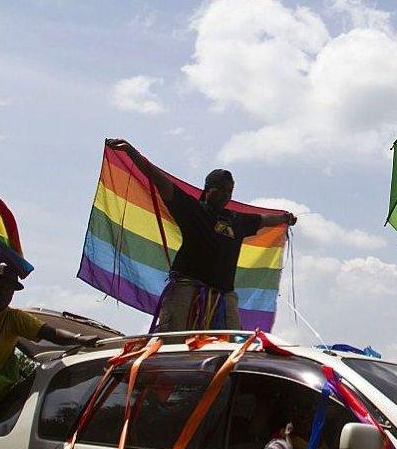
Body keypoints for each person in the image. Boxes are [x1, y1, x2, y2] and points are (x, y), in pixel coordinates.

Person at [106, 139, 297, 332]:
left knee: (227, 346)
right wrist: (131, 152)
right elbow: (159, 180)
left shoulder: (237, 220)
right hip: (185, 291)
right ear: (207, 189)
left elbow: (264, 220)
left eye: (229, 191)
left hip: (223, 299)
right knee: (173, 342)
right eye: (220, 189)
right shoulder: (192, 209)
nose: (224, 194)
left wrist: (285, 218)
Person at [0, 252, 98, 449]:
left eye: (9, 290)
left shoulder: (14, 319)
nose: (4, 294)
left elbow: (50, 333)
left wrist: (77, 339)